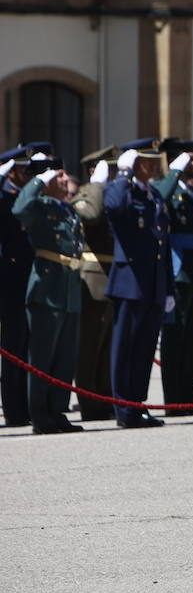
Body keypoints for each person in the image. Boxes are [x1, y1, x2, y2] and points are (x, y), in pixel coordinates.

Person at [104, 139, 179, 429]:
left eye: (152, 161)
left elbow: (163, 243)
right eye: (144, 162)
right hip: (130, 283)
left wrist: (168, 288)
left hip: (154, 283)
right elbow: (113, 207)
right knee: (126, 348)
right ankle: (123, 408)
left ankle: (137, 405)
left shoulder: (152, 195)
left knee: (145, 349)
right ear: (133, 165)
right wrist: (122, 174)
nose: (151, 167)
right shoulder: (121, 190)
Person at [13, 155, 85, 434]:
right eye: (59, 176)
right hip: (48, 289)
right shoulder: (38, 206)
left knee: (65, 357)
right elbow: (20, 208)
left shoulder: (67, 210)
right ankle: (40, 414)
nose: (65, 179)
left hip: (69, 288)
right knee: (42, 357)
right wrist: (38, 181)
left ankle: (58, 410)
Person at [154, 138, 193, 414]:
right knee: (174, 340)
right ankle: (174, 401)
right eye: (189, 159)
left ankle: (188, 398)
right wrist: (174, 171)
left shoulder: (191, 191)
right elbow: (158, 199)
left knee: (192, 338)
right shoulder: (168, 188)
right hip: (178, 271)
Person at [72, 147, 117, 421]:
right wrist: (97, 185)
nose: (112, 174)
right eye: (107, 169)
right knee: (90, 345)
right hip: (93, 276)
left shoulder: (108, 195)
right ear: (94, 171)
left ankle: (104, 398)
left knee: (106, 346)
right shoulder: (86, 195)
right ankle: (89, 402)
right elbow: (90, 216)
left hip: (112, 275)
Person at [0, 144, 41, 427]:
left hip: (24, 279)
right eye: (24, 169)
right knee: (13, 346)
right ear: (11, 172)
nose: (28, 174)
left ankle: (20, 408)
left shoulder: (24, 195)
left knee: (21, 347)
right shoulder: (2, 195)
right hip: (7, 280)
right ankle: (14, 410)